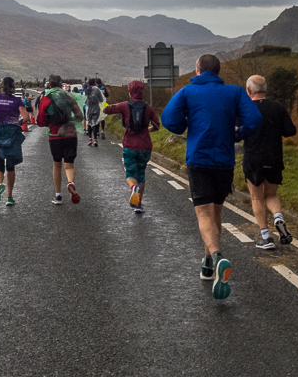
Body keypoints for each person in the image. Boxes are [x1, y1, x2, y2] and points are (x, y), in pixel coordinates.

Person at [161, 54, 261, 299]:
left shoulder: (187, 92)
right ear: (217, 71)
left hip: (199, 158)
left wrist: (186, 125)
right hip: (224, 160)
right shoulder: (236, 92)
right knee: (216, 210)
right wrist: (238, 133)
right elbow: (255, 119)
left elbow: (168, 120)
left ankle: (217, 255)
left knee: (203, 212)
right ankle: (208, 263)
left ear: (198, 70)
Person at [242, 75, 298, 248]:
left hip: (253, 159)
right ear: (265, 89)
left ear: (249, 91)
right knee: (271, 195)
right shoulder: (278, 107)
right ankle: (278, 217)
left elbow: (238, 131)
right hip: (274, 158)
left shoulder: (246, 108)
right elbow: (290, 131)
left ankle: (266, 237)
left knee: (257, 198)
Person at [102, 79, 160, 214]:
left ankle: (134, 188)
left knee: (130, 174)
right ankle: (139, 204)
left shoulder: (124, 106)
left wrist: (105, 102)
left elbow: (106, 109)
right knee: (141, 174)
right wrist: (147, 130)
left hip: (130, 145)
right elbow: (157, 126)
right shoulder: (148, 108)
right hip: (145, 146)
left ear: (130, 92)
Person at [0, 77, 33, 206]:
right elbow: (26, 117)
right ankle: (9, 197)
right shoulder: (17, 100)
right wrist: (19, 122)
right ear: (13, 88)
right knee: (10, 166)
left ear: (1, 87)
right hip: (12, 134)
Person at [35, 74, 82, 204]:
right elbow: (79, 115)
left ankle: (58, 195)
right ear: (61, 84)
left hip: (55, 135)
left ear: (49, 85)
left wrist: (48, 123)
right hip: (71, 134)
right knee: (69, 164)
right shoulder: (68, 97)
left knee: (57, 163)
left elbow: (40, 120)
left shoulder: (46, 99)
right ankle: (70, 182)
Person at [84, 80, 104, 146]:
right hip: (96, 108)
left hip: (89, 109)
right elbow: (101, 99)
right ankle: (95, 140)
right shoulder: (97, 90)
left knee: (89, 123)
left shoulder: (86, 90)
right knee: (95, 123)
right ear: (94, 83)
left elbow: (84, 100)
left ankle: (90, 140)